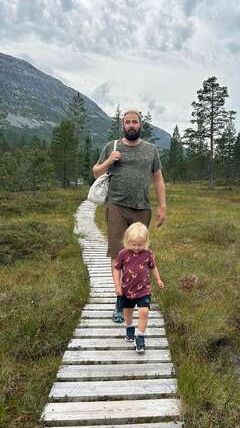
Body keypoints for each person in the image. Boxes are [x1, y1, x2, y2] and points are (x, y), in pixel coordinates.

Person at [92, 109, 166, 322]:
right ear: (122, 125)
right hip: (116, 206)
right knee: (118, 254)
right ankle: (120, 299)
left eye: (135, 122)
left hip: (142, 208)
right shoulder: (111, 147)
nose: (131, 125)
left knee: (138, 254)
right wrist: (109, 161)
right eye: (127, 122)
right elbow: (96, 172)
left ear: (140, 125)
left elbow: (158, 180)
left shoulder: (151, 150)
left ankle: (139, 295)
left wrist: (163, 207)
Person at [113, 222, 164, 352]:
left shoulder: (148, 254)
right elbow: (117, 269)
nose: (136, 248)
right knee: (127, 313)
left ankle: (140, 336)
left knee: (144, 311)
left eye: (140, 245)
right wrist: (117, 285)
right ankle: (129, 328)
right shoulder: (123, 254)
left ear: (146, 242)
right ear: (127, 241)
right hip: (127, 290)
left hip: (144, 290)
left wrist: (158, 279)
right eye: (133, 244)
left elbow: (153, 267)